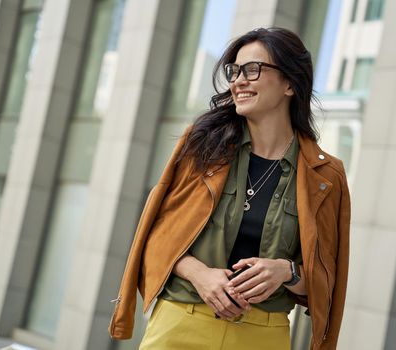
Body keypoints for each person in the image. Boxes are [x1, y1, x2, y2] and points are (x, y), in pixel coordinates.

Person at [108, 27, 351, 350]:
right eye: (234, 71)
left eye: (253, 70)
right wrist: (200, 275)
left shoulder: (327, 175)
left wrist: (287, 271)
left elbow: (327, 281)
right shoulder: (203, 145)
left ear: (290, 84)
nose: (238, 81)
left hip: (264, 335)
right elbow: (156, 237)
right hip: (181, 322)